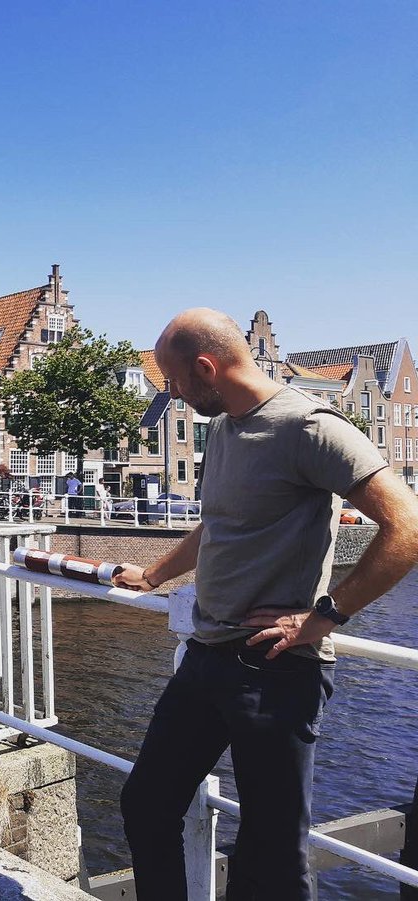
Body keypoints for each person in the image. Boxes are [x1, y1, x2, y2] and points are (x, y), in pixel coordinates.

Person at [114, 308, 418, 899]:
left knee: (271, 852)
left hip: (275, 669)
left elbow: (406, 526)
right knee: (146, 804)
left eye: (174, 381)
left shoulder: (309, 427)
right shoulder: (226, 428)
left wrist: (327, 615)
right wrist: (154, 574)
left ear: (207, 367)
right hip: (206, 656)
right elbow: (220, 526)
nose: (171, 394)